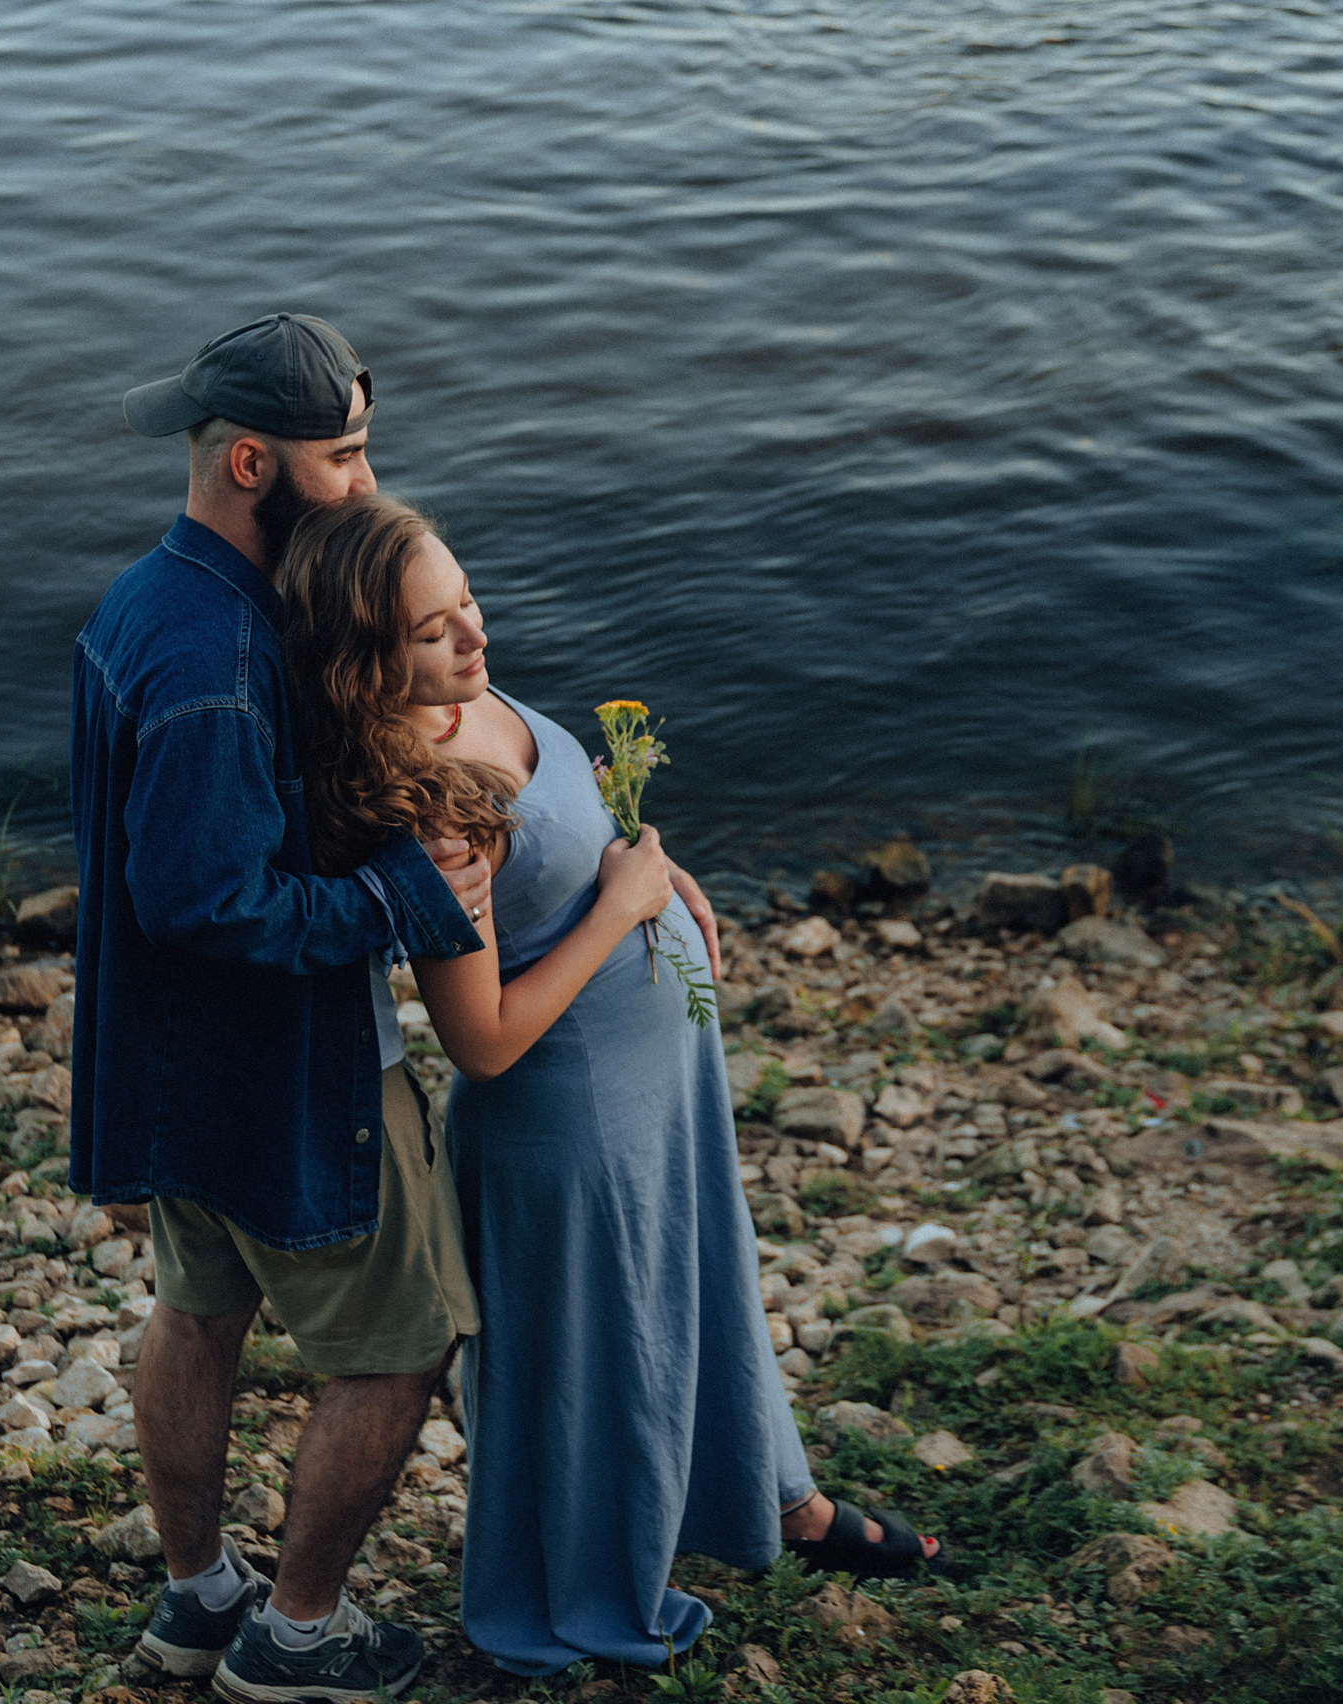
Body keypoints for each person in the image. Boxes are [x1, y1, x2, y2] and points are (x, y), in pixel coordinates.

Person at [276, 494, 944, 1681]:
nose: (473, 637)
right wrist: (624, 908)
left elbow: (574, 830)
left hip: (657, 1083)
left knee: (703, 1288)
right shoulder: (427, 810)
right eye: (433, 633)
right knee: (607, 1361)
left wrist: (653, 865)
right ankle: (586, 1585)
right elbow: (479, 1040)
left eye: (464, 600)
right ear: (368, 659)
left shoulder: (474, 704)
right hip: (567, 1125)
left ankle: (774, 1501)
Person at [70, 314, 492, 1704]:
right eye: (347, 455)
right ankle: (297, 1639)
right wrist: (397, 896)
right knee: (401, 1347)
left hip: (178, 1065)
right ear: (252, 461)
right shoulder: (221, 665)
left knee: (197, 1312)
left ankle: (198, 1600)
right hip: (286, 1071)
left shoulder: (146, 603)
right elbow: (208, 902)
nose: (369, 483)